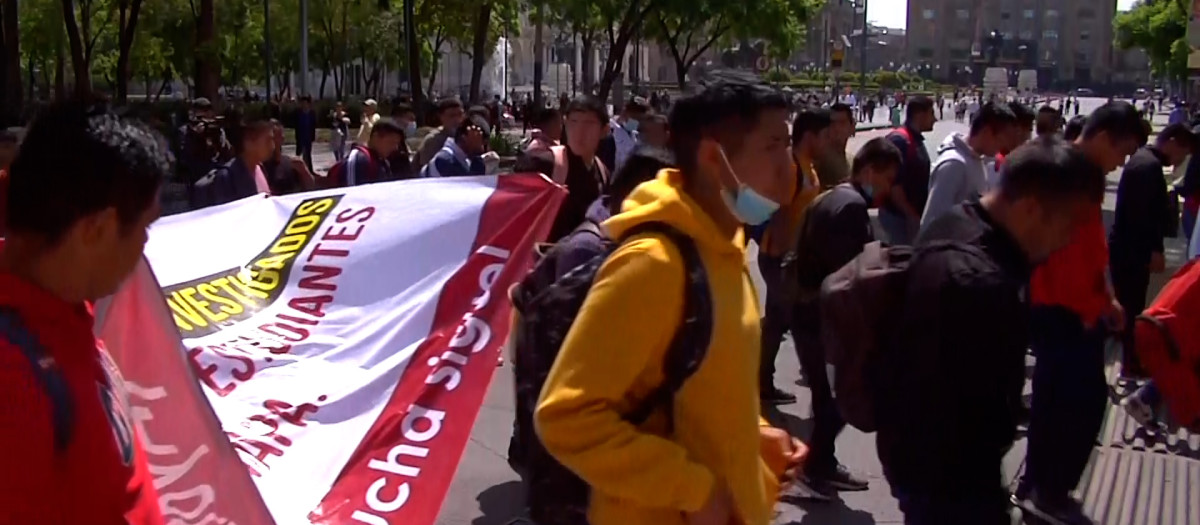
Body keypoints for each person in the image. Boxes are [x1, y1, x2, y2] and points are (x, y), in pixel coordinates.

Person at [535, 70, 800, 525]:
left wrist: (755, 435)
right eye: (773, 146)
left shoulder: (722, 248)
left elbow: (701, 388)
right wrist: (691, 489)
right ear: (715, 158)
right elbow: (566, 415)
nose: (790, 167)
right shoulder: (654, 265)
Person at [876, 137, 1107, 525]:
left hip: (922, 462)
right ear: (1032, 208)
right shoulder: (980, 282)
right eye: (1070, 227)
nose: (1069, 242)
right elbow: (963, 415)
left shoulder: (958, 222)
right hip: (948, 481)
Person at [0, 99, 170, 524]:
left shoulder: (64, 302)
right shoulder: (12, 383)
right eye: (144, 229)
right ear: (96, 230)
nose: (145, 247)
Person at [1014, 101, 1147, 524]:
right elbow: (1061, 255)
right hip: (1061, 309)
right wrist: (1093, 306)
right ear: (1104, 138)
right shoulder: (1065, 172)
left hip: (1079, 308)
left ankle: (1039, 484)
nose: (1120, 165)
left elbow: (1093, 250)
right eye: (1121, 154)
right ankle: (1046, 488)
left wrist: (1105, 295)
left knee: (1062, 402)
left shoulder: (1083, 175)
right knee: (1075, 403)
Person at [788, 137, 902, 499]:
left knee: (828, 397)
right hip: (822, 315)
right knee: (834, 399)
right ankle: (813, 470)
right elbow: (849, 274)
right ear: (869, 171)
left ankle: (821, 463)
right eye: (886, 179)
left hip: (810, 309)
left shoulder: (834, 197)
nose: (886, 189)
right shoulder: (850, 206)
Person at [757, 107, 830, 405]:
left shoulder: (807, 166)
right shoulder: (792, 167)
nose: (828, 142)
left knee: (776, 323)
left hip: (788, 257)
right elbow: (781, 214)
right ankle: (821, 391)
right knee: (799, 323)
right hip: (780, 258)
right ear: (810, 135)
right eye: (824, 136)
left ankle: (761, 383)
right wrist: (788, 259)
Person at [1109, 122, 1186, 381]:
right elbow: (1145, 215)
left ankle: (1129, 360)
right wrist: (1155, 249)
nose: (1180, 159)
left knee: (1129, 306)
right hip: (1132, 251)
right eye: (1181, 152)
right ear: (1172, 142)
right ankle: (1130, 364)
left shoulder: (1144, 162)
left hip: (1127, 248)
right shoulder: (1148, 167)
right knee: (1132, 307)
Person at [513, 95, 611, 243]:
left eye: (589, 124)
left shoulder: (603, 172)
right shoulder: (544, 163)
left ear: (604, 130)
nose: (579, 132)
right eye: (574, 122)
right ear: (565, 123)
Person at [921, 102, 1017, 229]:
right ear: (987, 132)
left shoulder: (978, 159)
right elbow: (932, 221)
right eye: (1001, 139)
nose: (1003, 146)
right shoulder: (954, 165)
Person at [881, 95, 935, 245]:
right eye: (931, 113)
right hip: (899, 219)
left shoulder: (915, 140)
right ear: (920, 115)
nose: (935, 119)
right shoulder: (901, 141)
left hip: (907, 217)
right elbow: (893, 184)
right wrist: (911, 215)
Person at [192, 119, 275, 209]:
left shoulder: (260, 168)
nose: (273, 146)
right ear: (249, 143)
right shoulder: (227, 177)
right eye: (268, 141)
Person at [339, 118, 405, 186]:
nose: (395, 148)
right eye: (391, 142)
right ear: (376, 137)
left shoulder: (383, 162)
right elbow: (352, 191)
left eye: (397, 144)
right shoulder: (359, 159)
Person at [421, 116, 489, 178]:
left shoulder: (464, 160)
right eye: (478, 139)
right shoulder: (445, 159)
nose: (482, 145)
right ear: (464, 136)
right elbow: (471, 185)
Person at [598, 97, 650, 174]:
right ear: (624, 112)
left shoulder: (635, 135)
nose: (637, 122)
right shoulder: (608, 132)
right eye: (635, 118)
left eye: (640, 119)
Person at [263, 119, 315, 195]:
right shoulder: (259, 167)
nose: (272, 141)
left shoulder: (292, 164)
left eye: (276, 136)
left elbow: (310, 188)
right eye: (270, 137)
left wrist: (304, 172)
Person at [414, 98, 466, 170]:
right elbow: (427, 170)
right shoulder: (433, 140)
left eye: (460, 114)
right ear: (441, 117)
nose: (457, 119)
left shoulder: (467, 136)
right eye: (452, 116)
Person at [815, 103, 855, 189]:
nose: (837, 128)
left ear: (852, 127)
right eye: (832, 123)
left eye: (842, 123)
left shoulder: (853, 161)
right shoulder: (818, 158)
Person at [388, 102, 416, 179]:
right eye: (409, 119)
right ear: (398, 118)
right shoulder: (389, 138)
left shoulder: (401, 138)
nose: (411, 123)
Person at [294, 95, 317, 171]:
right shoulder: (298, 114)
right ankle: (298, 170)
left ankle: (309, 169)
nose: (304, 105)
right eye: (303, 103)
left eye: (305, 103)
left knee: (307, 154)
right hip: (300, 136)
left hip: (308, 136)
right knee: (299, 153)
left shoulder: (311, 114)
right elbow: (296, 126)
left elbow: (313, 126)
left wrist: (313, 136)